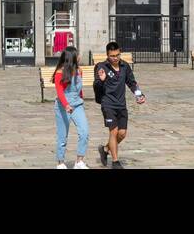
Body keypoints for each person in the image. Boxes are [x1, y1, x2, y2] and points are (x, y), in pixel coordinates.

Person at [93, 41, 145, 169]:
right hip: (108, 104)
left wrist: (139, 95)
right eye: (112, 56)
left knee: (122, 134)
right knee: (114, 131)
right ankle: (115, 162)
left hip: (121, 105)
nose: (115, 58)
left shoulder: (125, 66)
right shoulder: (101, 67)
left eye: (117, 55)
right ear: (107, 55)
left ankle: (105, 149)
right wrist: (101, 80)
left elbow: (132, 83)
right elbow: (96, 86)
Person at [52, 47, 90, 169]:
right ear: (72, 57)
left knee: (84, 131)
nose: (80, 56)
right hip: (63, 106)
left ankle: (79, 161)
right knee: (62, 135)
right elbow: (59, 92)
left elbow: (79, 89)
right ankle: (60, 162)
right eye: (78, 54)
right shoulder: (59, 72)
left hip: (77, 105)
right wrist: (66, 105)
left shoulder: (79, 70)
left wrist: (81, 100)